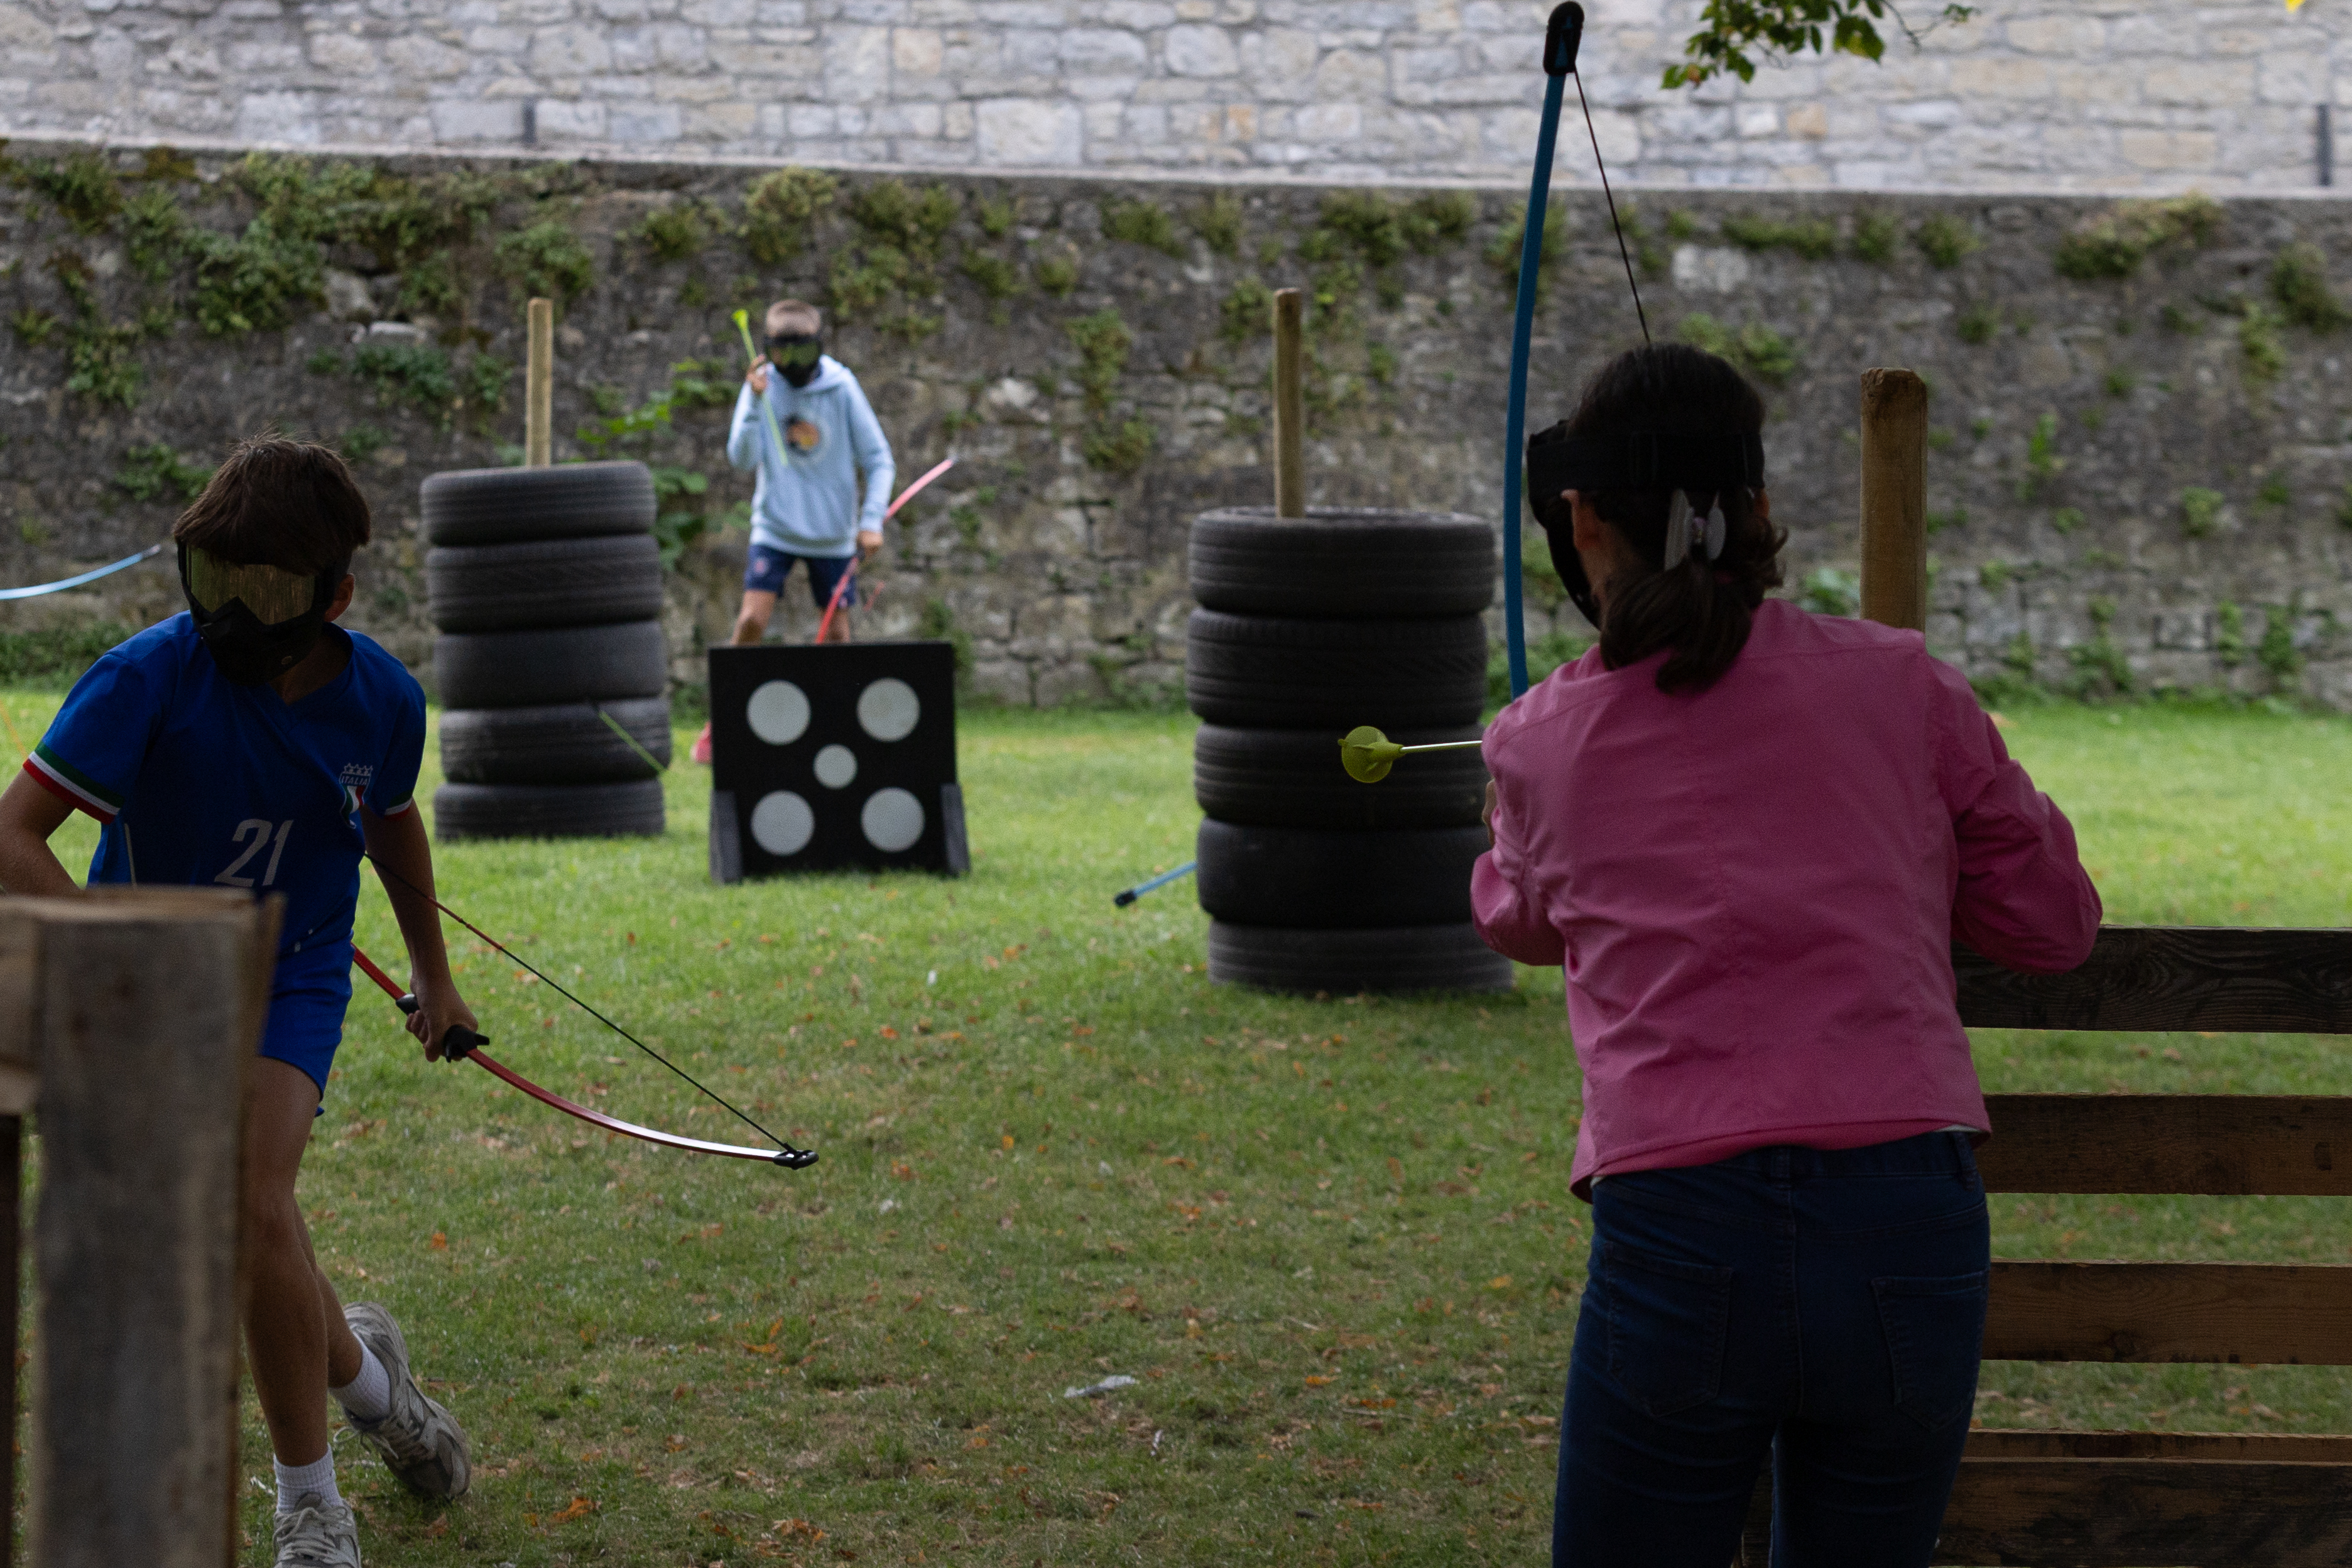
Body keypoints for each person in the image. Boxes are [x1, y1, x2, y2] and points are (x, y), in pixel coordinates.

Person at [1474, 344, 2101, 1567]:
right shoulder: (1905, 685)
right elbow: (2053, 922)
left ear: (1584, 522)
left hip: (1681, 1229)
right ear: (1759, 513)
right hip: (1904, 1223)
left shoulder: (1539, 738)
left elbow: (1516, 920)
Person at [0, 437, 476, 1568]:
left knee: (247, 1204)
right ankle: (375, 1388)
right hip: (162, 987)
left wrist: (436, 974)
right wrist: (125, 972)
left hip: (291, 971)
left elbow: (392, 829)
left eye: (263, 593)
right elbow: (13, 836)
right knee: (247, 1219)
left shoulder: (383, 702)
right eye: (211, 584)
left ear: (335, 595)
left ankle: (311, 1508)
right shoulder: (142, 680)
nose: (231, 617)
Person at [690, 298, 896, 763]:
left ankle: (839, 728)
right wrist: (753, 404)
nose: (793, 368)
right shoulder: (761, 387)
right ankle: (722, 720)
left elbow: (879, 459)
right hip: (776, 528)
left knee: (838, 638)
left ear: (819, 349)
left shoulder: (842, 388)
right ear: (768, 350)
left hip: (832, 536)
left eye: (803, 356)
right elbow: (741, 459)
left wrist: (870, 522)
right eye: (783, 356)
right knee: (751, 623)